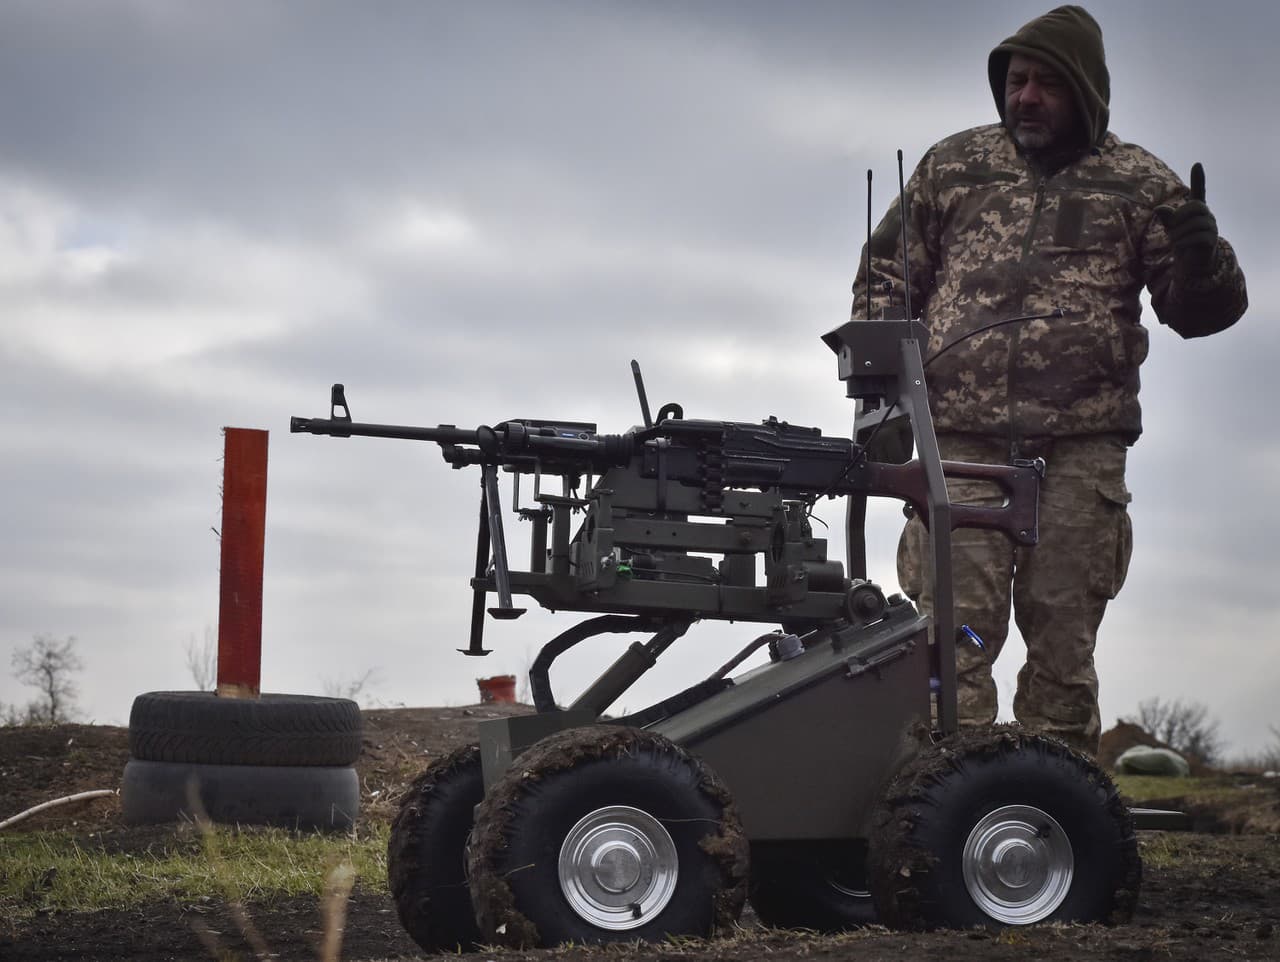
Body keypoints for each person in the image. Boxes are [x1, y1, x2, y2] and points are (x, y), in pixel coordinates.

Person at [853, 5, 1248, 754]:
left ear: (1084, 94)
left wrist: (1207, 261)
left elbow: (1197, 313)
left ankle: (1055, 810)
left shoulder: (1138, 184)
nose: (1024, 97)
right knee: (956, 637)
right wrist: (882, 402)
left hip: (1076, 456)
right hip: (960, 450)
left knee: (1063, 647)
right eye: (1016, 81)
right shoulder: (955, 167)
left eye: (1044, 85)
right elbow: (884, 280)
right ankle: (940, 807)